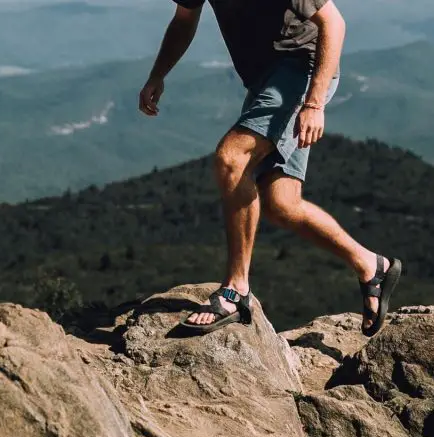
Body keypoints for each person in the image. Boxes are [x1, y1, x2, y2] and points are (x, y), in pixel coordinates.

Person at [139, 0, 402, 337]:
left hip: (302, 69)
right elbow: (183, 20)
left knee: (232, 160)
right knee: (281, 204)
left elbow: (334, 24)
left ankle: (236, 291)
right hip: (267, 79)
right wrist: (158, 74)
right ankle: (371, 265)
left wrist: (314, 103)